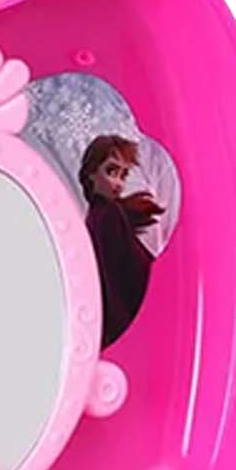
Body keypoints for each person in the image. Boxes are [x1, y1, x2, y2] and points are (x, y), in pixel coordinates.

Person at [78, 135, 164, 347]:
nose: (118, 184)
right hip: (128, 319)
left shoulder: (97, 217)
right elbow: (126, 276)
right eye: (111, 171)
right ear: (91, 174)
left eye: (123, 175)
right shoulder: (108, 215)